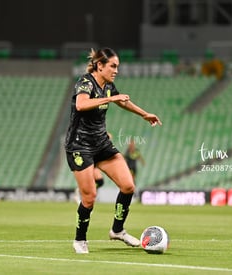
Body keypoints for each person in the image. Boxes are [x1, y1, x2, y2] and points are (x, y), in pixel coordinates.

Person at [64, 47, 162, 253]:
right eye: (113, 66)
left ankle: (117, 230)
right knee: (89, 197)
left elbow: (123, 102)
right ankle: (80, 239)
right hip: (79, 145)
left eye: (117, 67)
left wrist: (144, 114)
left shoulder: (108, 86)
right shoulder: (85, 82)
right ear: (100, 65)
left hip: (101, 144)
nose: (116, 70)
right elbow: (81, 105)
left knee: (128, 186)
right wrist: (110, 99)